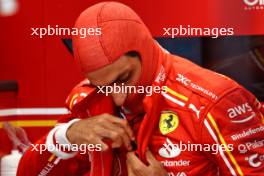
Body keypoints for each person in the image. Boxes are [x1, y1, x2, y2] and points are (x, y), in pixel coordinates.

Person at [17, 2, 264, 176]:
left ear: (144, 51)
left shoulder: (214, 101)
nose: (117, 97)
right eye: (101, 86)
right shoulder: (92, 101)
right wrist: (66, 137)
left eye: (123, 79)